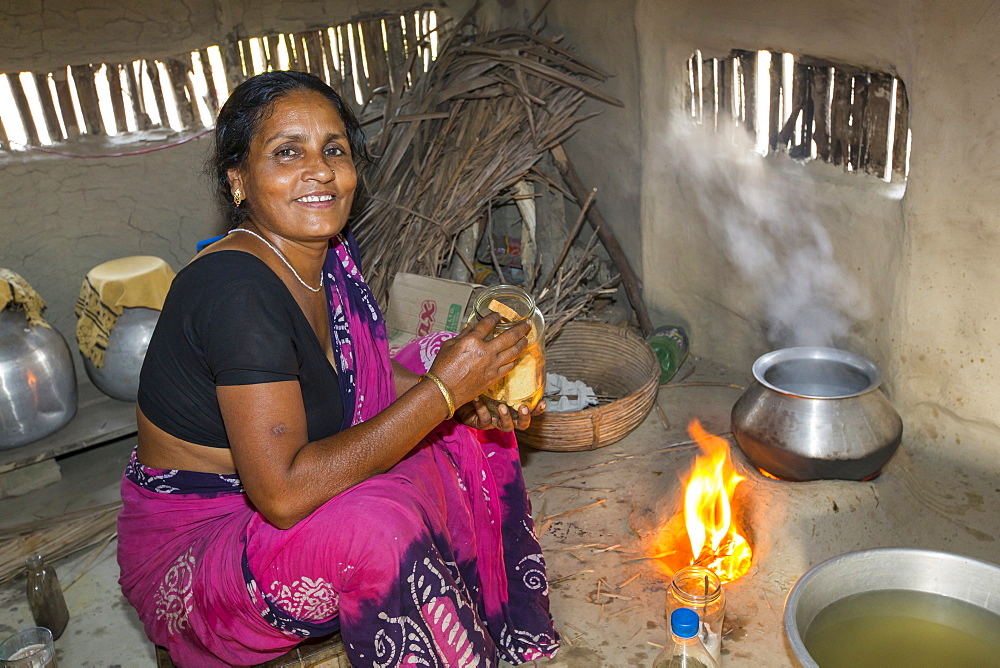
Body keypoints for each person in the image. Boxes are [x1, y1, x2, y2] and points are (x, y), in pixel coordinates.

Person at [117, 70, 560, 667]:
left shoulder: (324, 259)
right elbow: (282, 494)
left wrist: (464, 394)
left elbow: (370, 377)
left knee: (458, 411)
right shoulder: (235, 290)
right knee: (378, 528)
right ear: (238, 180)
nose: (319, 170)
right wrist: (442, 391)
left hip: (281, 486)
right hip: (202, 545)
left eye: (334, 150)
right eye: (286, 152)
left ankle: (484, 615)